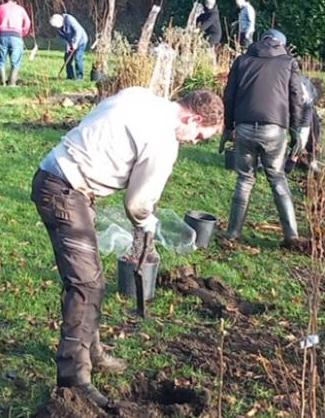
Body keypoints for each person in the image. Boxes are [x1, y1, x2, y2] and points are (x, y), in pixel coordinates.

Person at [31, 87, 224, 407]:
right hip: (64, 190)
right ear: (193, 118)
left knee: (92, 281)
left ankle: (90, 351)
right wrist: (146, 222)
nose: (193, 141)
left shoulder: (140, 96)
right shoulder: (164, 141)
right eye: (199, 136)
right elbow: (137, 203)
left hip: (58, 178)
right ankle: (74, 380)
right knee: (86, 285)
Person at [219, 29, 305, 248]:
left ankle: (233, 234)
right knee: (277, 178)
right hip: (275, 130)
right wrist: (295, 130)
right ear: (282, 44)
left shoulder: (242, 60)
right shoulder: (288, 63)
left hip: (245, 127)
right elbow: (296, 97)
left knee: (244, 179)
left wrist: (228, 127)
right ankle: (291, 236)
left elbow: (229, 95)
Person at [285, 76, 322, 172]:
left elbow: (303, 127)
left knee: (311, 130)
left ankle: (311, 158)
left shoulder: (303, 94)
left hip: (306, 103)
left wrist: (293, 157)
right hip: (286, 102)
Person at [0, 0, 31, 86]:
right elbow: (27, 23)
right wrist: (23, 33)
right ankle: (12, 83)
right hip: (16, 36)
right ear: (15, 1)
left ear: (4, 0)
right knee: (16, 61)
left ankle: (2, 83)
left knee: (1, 60)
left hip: (2, 35)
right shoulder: (20, 9)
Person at [49, 13, 88, 80]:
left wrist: (75, 43)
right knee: (67, 59)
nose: (57, 28)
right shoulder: (58, 28)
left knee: (78, 58)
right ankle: (70, 76)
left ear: (60, 21)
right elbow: (63, 37)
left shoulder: (69, 19)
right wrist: (67, 45)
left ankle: (79, 77)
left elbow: (78, 31)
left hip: (81, 40)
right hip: (70, 42)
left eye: (57, 26)